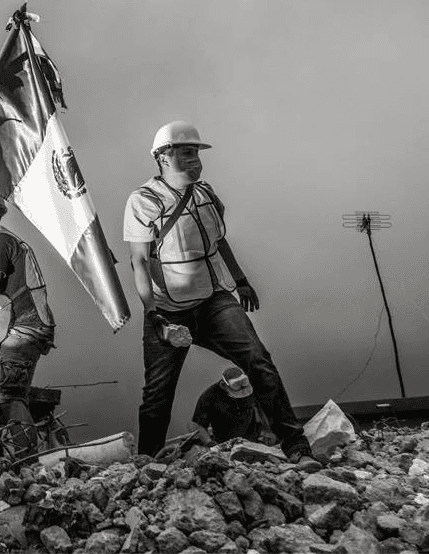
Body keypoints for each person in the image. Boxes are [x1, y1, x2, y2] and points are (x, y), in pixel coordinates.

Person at [123, 121, 319, 469]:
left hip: (214, 300)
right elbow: (138, 260)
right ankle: (149, 463)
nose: (195, 159)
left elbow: (219, 241)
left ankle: (296, 446)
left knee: (258, 361)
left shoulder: (205, 194)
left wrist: (241, 280)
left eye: (196, 152)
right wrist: (152, 313)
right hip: (169, 310)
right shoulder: (144, 201)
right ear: (163, 156)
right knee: (157, 394)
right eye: (186, 152)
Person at [0, 194, 56, 458]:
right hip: (27, 327)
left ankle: (27, 462)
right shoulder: (3, 241)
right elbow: (5, 303)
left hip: (25, 329)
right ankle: (27, 460)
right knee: (13, 396)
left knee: (10, 396)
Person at [190, 366, 275, 445]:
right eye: (237, 390)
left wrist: (268, 430)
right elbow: (199, 426)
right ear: (223, 385)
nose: (242, 392)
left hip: (251, 441)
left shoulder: (252, 387)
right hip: (224, 443)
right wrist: (209, 443)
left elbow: (263, 408)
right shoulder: (209, 396)